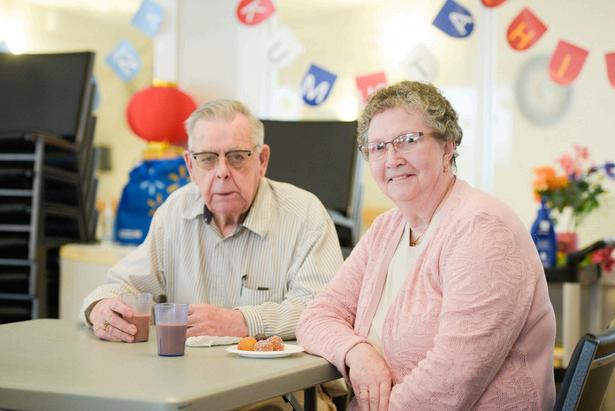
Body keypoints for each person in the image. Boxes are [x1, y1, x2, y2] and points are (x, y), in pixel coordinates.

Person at [296, 81, 556, 410]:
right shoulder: (386, 229)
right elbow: (316, 316)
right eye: (377, 148)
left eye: (408, 141)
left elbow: (450, 384)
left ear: (447, 147)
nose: (392, 159)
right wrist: (356, 352)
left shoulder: (482, 229)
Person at [80, 99, 343, 346]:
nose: (222, 172)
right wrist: (100, 307)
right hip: (186, 375)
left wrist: (241, 322)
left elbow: (324, 310)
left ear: (262, 161)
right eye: (207, 158)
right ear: (190, 166)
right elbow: (122, 286)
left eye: (237, 156)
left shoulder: (305, 215)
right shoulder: (174, 212)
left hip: (277, 379)